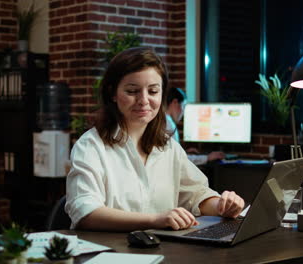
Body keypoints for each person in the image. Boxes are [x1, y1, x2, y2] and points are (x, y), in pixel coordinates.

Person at [65, 47, 244, 232]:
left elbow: (196, 194)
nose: (144, 100)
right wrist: (154, 220)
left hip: (162, 252)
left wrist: (222, 205)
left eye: (153, 91)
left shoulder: (168, 147)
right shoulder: (90, 146)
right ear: (113, 93)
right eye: (132, 91)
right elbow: (86, 213)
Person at [166, 87, 225, 165]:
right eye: (183, 106)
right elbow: (178, 160)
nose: (183, 112)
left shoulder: (164, 121)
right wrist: (207, 158)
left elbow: (171, 155)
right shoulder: (169, 125)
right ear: (175, 102)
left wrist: (183, 153)